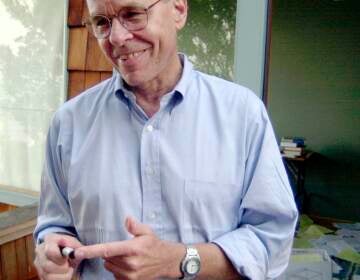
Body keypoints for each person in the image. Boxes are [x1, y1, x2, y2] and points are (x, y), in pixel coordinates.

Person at [34, 0, 298, 279]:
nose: (117, 37)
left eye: (133, 14)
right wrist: (53, 250)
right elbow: (54, 226)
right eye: (102, 22)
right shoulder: (69, 123)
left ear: (179, 10)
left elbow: (272, 240)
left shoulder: (243, 114)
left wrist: (181, 261)